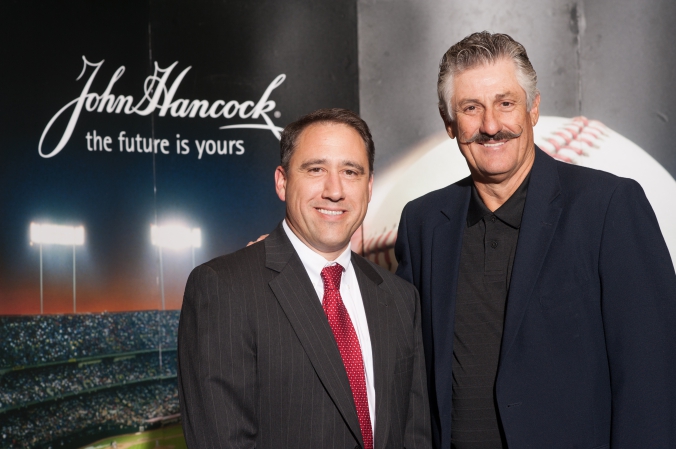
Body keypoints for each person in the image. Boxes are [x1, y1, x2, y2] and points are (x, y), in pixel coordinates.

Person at [395, 31, 676, 449]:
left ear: (533, 109)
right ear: (449, 123)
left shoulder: (608, 206)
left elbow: (652, 378)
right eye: (471, 108)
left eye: (506, 103)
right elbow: (402, 363)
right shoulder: (423, 222)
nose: (491, 126)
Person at [178, 108, 431, 449]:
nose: (335, 190)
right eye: (316, 169)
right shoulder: (223, 288)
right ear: (282, 181)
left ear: (369, 187)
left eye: (351, 172)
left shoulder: (400, 298)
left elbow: (414, 435)